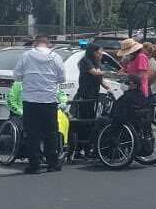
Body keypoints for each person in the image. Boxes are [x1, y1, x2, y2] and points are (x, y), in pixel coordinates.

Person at [13, 34, 65, 173]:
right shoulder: (56, 57)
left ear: (35, 43)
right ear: (48, 44)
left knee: (32, 133)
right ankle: (52, 163)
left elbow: (17, 76)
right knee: (51, 132)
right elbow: (62, 78)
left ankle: (34, 164)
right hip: (49, 100)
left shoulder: (26, 56)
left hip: (30, 100)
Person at [71, 41, 107, 122]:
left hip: (94, 92)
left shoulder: (96, 62)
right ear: (93, 52)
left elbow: (100, 78)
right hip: (86, 93)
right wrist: (107, 72)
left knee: (91, 114)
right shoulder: (85, 61)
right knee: (85, 115)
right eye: (99, 52)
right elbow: (94, 72)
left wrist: (107, 87)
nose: (101, 54)